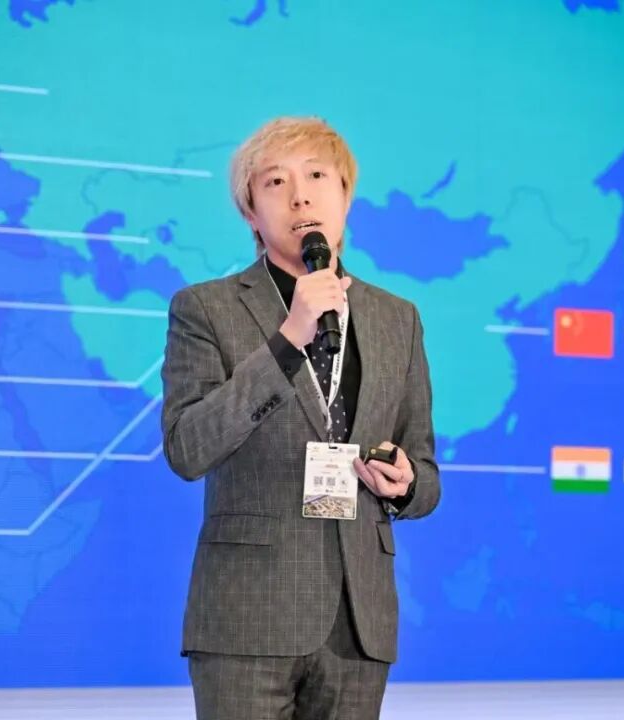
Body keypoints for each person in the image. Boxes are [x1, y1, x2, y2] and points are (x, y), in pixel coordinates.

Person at [161, 116, 441, 719]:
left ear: (345, 196)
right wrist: (288, 340)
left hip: (357, 624)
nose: (301, 196)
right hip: (247, 619)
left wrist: (405, 481)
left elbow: (424, 471)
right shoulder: (205, 308)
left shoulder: (398, 319)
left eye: (317, 177)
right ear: (250, 212)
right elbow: (187, 447)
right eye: (276, 182)